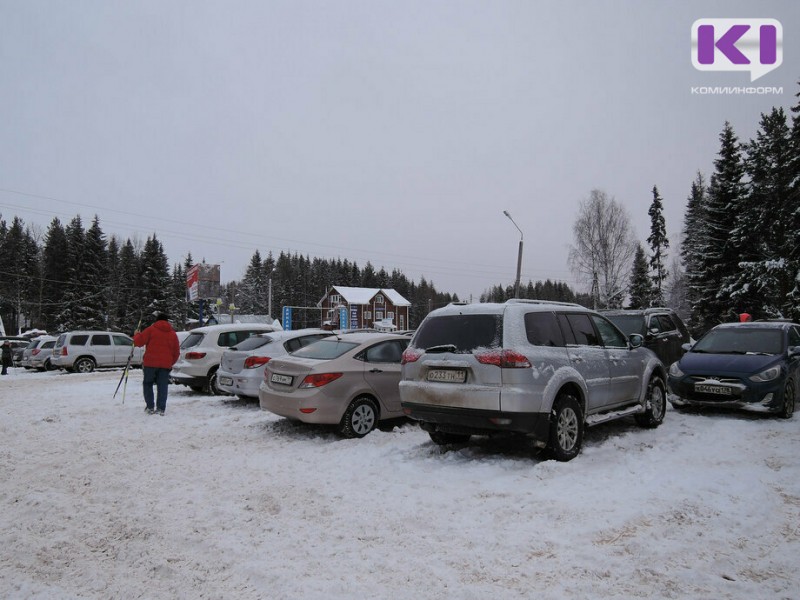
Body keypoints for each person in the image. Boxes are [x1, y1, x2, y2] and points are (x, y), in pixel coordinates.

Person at [134, 313, 180, 415]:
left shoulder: (151, 330)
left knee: (148, 384)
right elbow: (176, 352)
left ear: (157, 320)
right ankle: (161, 409)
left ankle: (150, 407)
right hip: (165, 365)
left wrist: (137, 334)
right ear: (167, 321)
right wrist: (170, 362)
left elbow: (138, 342)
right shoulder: (173, 334)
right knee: (163, 386)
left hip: (150, 363)